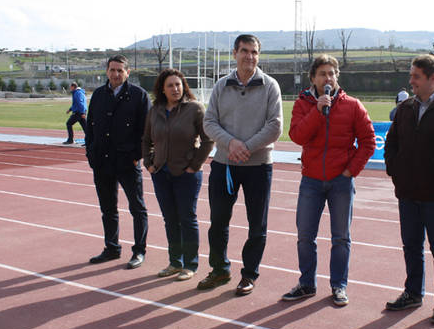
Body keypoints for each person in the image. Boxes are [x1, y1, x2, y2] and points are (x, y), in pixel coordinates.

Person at [282, 54, 375, 306]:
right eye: (323, 73)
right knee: (304, 236)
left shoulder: (353, 105)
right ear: (313, 78)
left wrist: (350, 171)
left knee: (341, 237)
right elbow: (297, 136)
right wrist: (316, 110)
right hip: (311, 180)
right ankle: (306, 284)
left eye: (332, 73)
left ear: (337, 78)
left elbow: (368, 142)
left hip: (341, 182)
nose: (328, 78)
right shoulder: (303, 104)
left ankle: (339, 286)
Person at [200, 34, 283, 296]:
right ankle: (219, 269)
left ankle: (249, 275)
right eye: (245, 51)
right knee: (218, 222)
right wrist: (231, 144)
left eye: (254, 52)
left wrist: (246, 147)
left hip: (258, 166)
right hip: (225, 164)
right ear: (235, 53)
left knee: (257, 225)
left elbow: (275, 126)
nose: (249, 56)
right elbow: (209, 122)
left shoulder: (270, 86)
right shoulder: (221, 86)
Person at [383, 54, 434, 324]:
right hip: (407, 192)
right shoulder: (406, 108)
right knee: (412, 245)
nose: (411, 81)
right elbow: (391, 143)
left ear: (433, 79)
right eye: (411, 76)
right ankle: (413, 292)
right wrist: (396, 170)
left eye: (416, 76)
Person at [143, 68, 214, 281]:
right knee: (170, 219)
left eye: (178, 84)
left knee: (187, 218)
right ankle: (175, 262)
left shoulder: (194, 109)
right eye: (170, 85)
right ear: (162, 90)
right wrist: (149, 163)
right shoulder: (155, 110)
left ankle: (190, 264)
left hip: (186, 174)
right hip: (161, 173)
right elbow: (146, 139)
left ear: (183, 86)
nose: (175, 89)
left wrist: (194, 165)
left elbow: (208, 140)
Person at [85, 55, 151, 269]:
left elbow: (147, 132)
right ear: (107, 71)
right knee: (108, 209)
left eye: (120, 70)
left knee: (137, 208)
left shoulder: (138, 96)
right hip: (102, 162)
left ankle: (139, 251)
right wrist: (91, 154)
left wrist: (135, 156)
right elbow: (91, 129)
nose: (116, 74)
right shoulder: (98, 95)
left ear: (128, 72)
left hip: (127, 162)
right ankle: (112, 248)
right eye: (112, 70)